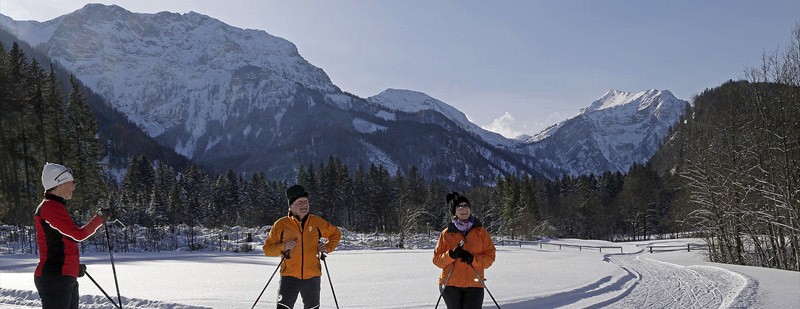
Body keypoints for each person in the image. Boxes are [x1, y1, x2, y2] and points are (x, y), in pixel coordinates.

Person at [34, 163, 110, 308]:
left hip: (63, 276)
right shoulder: (49, 206)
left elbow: (63, 241)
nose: (73, 187)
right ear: (60, 184)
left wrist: (73, 266)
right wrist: (99, 218)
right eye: (71, 182)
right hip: (55, 277)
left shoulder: (56, 206)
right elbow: (77, 235)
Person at [262, 184, 342, 309]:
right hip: (289, 276)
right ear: (291, 206)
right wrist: (283, 246)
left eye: (306, 201)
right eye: (299, 202)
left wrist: (327, 247)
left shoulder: (316, 222)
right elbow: (267, 249)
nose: (304, 205)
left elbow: (335, 233)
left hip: (312, 276)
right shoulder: (281, 224)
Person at [433, 192, 497, 309]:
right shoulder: (446, 234)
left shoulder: (481, 232)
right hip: (450, 284)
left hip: (475, 283)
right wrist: (451, 255)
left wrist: (473, 259)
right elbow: (437, 260)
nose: (464, 209)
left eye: (466, 205)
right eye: (459, 206)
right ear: (454, 211)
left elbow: (490, 257)